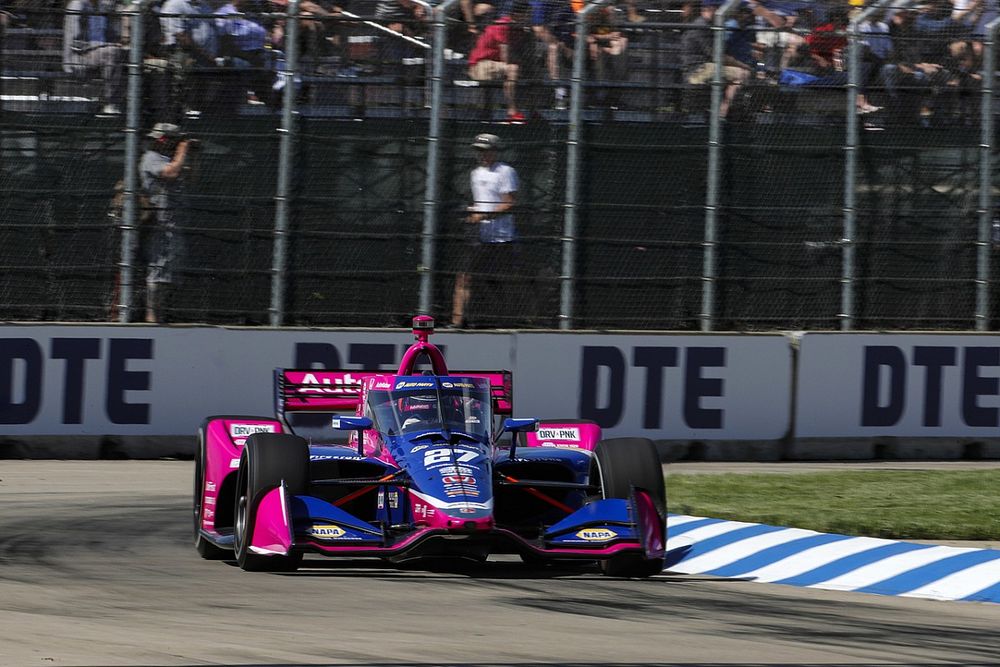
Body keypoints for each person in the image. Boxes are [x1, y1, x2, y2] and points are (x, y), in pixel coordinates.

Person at [450, 133, 519, 329]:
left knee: (496, 282)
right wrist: (472, 212)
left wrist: (484, 216)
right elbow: (480, 202)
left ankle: (503, 322)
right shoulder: (475, 173)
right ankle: (457, 321)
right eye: (478, 151)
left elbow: (509, 203)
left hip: (501, 238)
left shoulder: (505, 172)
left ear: (495, 151)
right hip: (478, 236)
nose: (481, 155)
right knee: (464, 276)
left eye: (485, 151)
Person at [140, 122, 193, 323]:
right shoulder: (151, 158)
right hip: (160, 224)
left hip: (175, 224)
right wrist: (183, 150)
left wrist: (190, 155)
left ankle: (160, 315)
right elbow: (170, 173)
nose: (159, 142)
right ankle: (151, 316)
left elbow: (192, 176)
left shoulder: (173, 159)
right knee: (158, 269)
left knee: (170, 271)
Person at [467, 0, 531, 122]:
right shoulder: (502, 25)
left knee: (522, 69)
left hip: (494, 65)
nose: (529, 17)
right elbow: (505, 56)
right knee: (513, 69)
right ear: (518, 14)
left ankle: (531, 110)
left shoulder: (520, 29)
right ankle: (512, 112)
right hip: (480, 65)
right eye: (527, 14)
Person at [63, 0, 125, 114]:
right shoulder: (78, 5)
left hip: (101, 52)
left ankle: (131, 108)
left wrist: (116, 41)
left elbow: (109, 33)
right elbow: (76, 42)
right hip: (81, 55)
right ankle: (109, 102)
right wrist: (105, 45)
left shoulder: (102, 6)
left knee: (124, 53)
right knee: (112, 52)